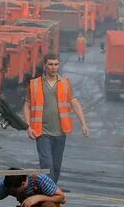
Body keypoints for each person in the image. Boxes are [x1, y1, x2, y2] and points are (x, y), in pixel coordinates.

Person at [23, 54, 89, 185]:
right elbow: (27, 106)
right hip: (42, 132)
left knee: (56, 165)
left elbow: (74, 103)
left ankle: (51, 188)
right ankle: (49, 191)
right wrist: (28, 126)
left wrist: (83, 124)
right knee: (46, 163)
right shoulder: (35, 84)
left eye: (56, 64)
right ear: (45, 66)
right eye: (51, 64)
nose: (54, 67)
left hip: (60, 132)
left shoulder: (65, 83)